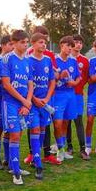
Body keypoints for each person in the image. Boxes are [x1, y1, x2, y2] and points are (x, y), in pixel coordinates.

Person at [0, 30, 34, 184]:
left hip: (23, 104)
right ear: (13, 43)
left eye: (27, 42)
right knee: (14, 134)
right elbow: (6, 85)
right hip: (10, 103)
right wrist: (23, 100)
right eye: (22, 42)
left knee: (18, 135)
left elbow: (30, 83)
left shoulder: (27, 61)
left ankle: (15, 166)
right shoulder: (6, 59)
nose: (25, 45)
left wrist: (27, 102)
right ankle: (16, 172)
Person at [27, 32, 56, 179]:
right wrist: (33, 99)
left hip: (45, 102)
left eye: (44, 42)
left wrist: (47, 97)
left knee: (43, 128)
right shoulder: (28, 61)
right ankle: (38, 163)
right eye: (40, 42)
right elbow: (25, 84)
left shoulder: (48, 61)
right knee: (35, 129)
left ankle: (36, 157)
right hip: (32, 103)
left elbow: (52, 81)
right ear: (33, 44)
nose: (43, 45)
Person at [52, 36, 81, 162]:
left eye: (71, 46)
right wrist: (59, 76)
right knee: (57, 123)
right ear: (61, 46)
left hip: (70, 94)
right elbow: (51, 78)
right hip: (58, 95)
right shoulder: (54, 60)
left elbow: (78, 77)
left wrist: (74, 83)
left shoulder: (73, 61)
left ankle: (62, 149)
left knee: (65, 122)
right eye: (68, 46)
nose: (70, 48)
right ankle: (59, 148)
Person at [0, 35, 14, 170]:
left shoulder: (13, 61)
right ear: (3, 46)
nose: (12, 47)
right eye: (10, 44)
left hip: (11, 101)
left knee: (9, 130)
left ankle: (7, 157)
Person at [67, 35, 90, 160]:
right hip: (66, 95)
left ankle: (83, 149)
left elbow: (86, 77)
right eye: (76, 42)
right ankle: (69, 147)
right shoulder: (66, 59)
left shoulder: (85, 61)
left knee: (79, 121)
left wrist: (79, 86)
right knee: (67, 122)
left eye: (80, 42)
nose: (78, 44)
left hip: (78, 95)